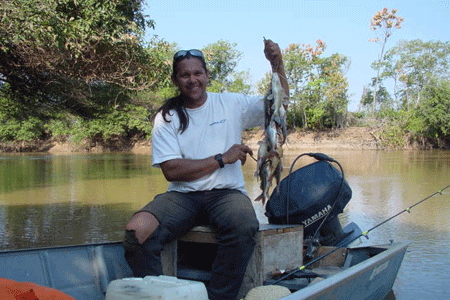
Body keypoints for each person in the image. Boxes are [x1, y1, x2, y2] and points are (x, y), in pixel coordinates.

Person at [123, 39, 289, 300]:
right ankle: (161, 294)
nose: (192, 80)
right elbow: (172, 171)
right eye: (185, 75)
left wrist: (276, 63)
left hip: (226, 194)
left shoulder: (231, 103)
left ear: (207, 76)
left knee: (244, 225)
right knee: (137, 230)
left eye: (197, 73)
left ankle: (218, 297)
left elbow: (279, 103)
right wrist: (222, 158)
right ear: (176, 80)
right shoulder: (166, 117)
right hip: (182, 195)